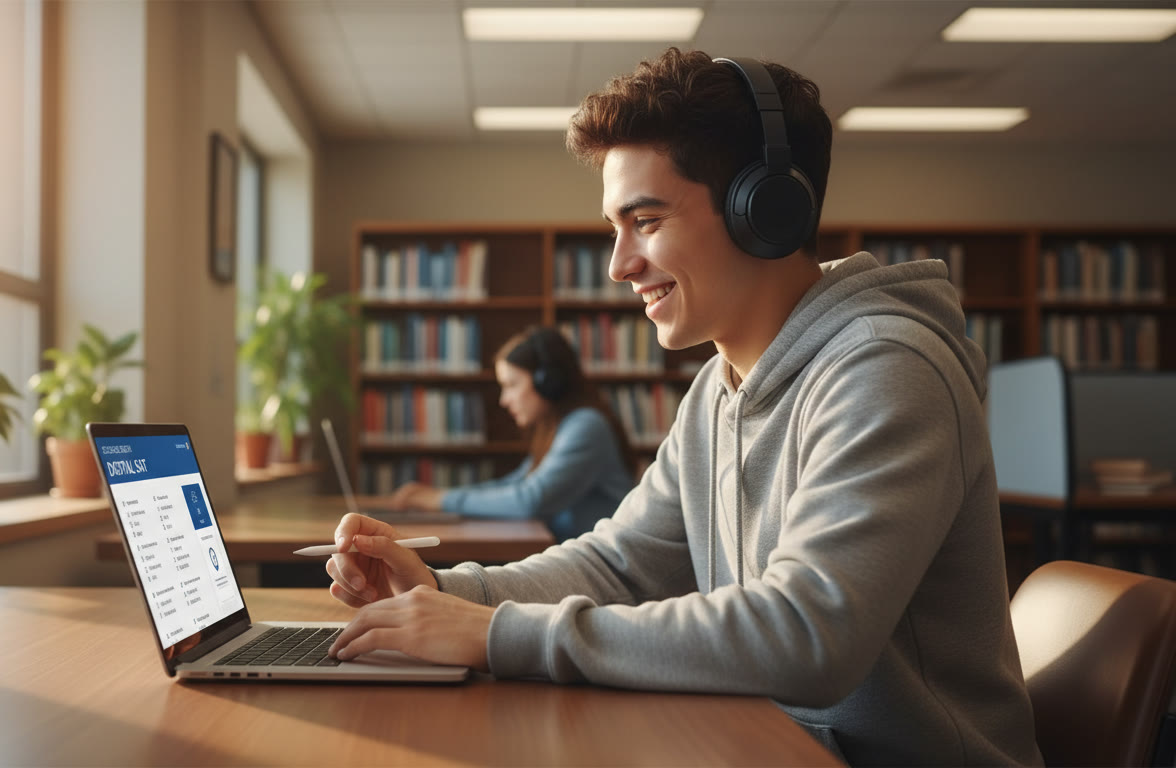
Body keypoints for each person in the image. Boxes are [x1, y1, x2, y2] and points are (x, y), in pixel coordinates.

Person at [323, 49, 1043, 766]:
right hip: (769, 746)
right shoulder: (718, 389)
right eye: (615, 226)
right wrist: (453, 592)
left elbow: (806, 636)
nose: (618, 264)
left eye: (646, 219)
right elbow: (621, 567)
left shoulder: (887, 369)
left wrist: (492, 635)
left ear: (764, 210)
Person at [383, 325, 636, 541]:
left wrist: (440, 500)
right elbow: (514, 484)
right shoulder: (557, 428)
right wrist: (441, 499)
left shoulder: (586, 426)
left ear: (548, 382)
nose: (504, 400)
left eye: (512, 385)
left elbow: (530, 499)